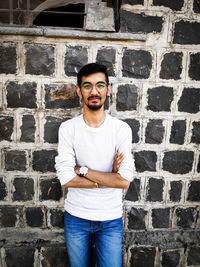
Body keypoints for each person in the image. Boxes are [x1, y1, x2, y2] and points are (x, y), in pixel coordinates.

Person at [55, 63, 134, 267]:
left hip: (110, 219)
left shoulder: (121, 130)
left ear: (108, 89)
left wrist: (83, 171)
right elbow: (65, 178)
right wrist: (110, 178)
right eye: (87, 86)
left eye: (100, 85)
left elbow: (124, 181)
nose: (94, 91)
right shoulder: (68, 129)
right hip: (76, 218)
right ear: (79, 91)